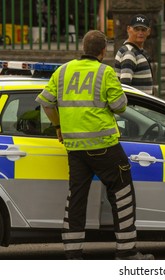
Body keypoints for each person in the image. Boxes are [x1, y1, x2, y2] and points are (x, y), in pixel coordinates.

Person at [35, 30, 154, 260]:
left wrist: (59, 126)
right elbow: (120, 106)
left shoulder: (63, 71)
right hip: (104, 145)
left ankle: (73, 253)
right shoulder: (105, 72)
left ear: (82, 47)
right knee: (122, 193)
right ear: (103, 51)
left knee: (76, 197)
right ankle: (126, 251)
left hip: (74, 148)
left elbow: (46, 103)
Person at [114, 14, 153, 95]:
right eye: (136, 29)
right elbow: (125, 88)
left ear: (148, 31)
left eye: (143, 30)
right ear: (128, 29)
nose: (140, 33)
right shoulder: (130, 53)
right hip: (136, 107)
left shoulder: (135, 51)